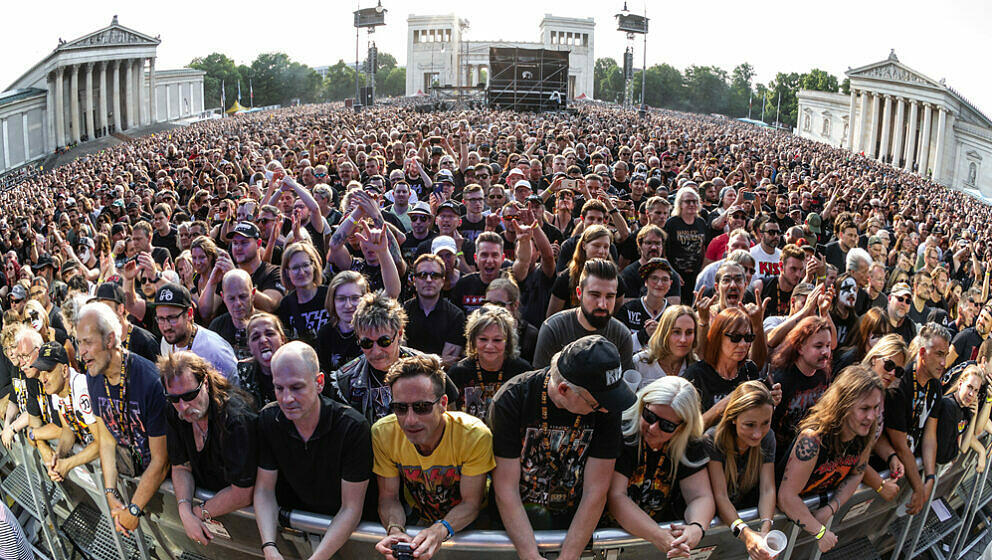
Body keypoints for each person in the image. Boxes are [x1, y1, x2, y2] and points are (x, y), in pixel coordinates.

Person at [491, 335, 635, 560]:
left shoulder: (607, 405)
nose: (607, 410)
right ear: (564, 389)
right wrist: (530, 555)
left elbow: (596, 491)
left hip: (574, 527)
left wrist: (569, 557)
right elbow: (505, 488)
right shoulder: (513, 398)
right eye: (596, 404)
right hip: (513, 528)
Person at [254, 341, 370, 560]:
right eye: (279, 388)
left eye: (297, 387)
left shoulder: (352, 428)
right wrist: (269, 546)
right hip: (301, 528)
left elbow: (351, 508)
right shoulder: (268, 420)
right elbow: (264, 489)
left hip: (354, 538)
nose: (287, 399)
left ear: (319, 383)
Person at [372, 355, 495, 560]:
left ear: (443, 403)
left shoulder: (473, 435)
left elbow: (471, 503)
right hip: (419, 518)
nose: (410, 420)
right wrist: (395, 530)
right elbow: (388, 498)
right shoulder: (383, 433)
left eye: (422, 407)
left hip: (472, 525)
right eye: (400, 408)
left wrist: (439, 530)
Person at [77, 302, 169, 535]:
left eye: (87, 342)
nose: (81, 352)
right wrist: (110, 492)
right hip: (133, 488)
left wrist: (134, 510)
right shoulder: (93, 375)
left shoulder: (150, 381)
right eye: (79, 343)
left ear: (109, 340)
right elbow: (107, 441)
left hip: (163, 491)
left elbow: (162, 459)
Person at [777, 366, 882, 554]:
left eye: (876, 408)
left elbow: (857, 474)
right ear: (844, 404)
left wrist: (830, 508)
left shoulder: (864, 433)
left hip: (806, 524)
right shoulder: (813, 439)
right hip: (778, 526)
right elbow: (786, 497)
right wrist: (819, 532)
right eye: (864, 408)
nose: (871, 417)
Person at [607, 376, 714, 556]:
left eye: (666, 425)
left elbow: (700, 496)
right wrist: (659, 536)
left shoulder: (690, 444)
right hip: (611, 537)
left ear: (682, 427)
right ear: (642, 405)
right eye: (649, 416)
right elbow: (616, 496)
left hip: (654, 542)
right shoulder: (623, 434)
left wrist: (695, 528)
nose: (653, 428)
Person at [160, 351, 257, 547]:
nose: (183, 406)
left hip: (250, 521)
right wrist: (184, 510)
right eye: (174, 398)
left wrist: (197, 513)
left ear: (205, 382)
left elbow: (243, 492)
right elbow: (180, 466)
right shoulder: (174, 411)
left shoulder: (234, 418)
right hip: (215, 513)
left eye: (189, 395)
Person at [329, 291, 458, 425]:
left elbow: (451, 419)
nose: (376, 351)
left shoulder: (429, 367)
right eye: (366, 343)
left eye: (384, 341)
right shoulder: (344, 381)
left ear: (399, 333)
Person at [706, 381, 777, 560]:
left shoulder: (768, 439)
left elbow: (767, 489)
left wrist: (764, 532)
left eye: (765, 423)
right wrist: (745, 534)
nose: (757, 434)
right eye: (750, 424)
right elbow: (720, 496)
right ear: (733, 418)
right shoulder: (713, 441)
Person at [885, 322, 950, 515]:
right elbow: (900, 446)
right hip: (888, 469)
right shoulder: (900, 385)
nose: (944, 363)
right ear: (922, 352)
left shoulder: (935, 386)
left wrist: (930, 477)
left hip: (910, 469)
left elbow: (930, 434)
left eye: (946, 355)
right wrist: (919, 487)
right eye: (939, 354)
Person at [534, 259, 635, 372]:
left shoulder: (622, 336)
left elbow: (627, 380)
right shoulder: (554, 329)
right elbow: (541, 383)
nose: (602, 304)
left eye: (609, 296)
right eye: (595, 295)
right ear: (579, 293)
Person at [684, 307, 778, 427]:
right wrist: (730, 400)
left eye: (748, 338)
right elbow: (690, 429)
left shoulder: (749, 369)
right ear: (717, 337)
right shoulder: (696, 375)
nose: (743, 344)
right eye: (735, 338)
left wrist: (770, 402)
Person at [30, 341, 98, 483]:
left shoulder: (81, 389)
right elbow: (68, 429)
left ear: (65, 370)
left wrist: (68, 464)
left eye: (48, 371)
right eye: (41, 371)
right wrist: (58, 455)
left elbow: (103, 442)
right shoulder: (57, 390)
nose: (43, 379)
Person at [448, 305, 531, 419]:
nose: (490, 346)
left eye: (497, 340)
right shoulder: (458, 373)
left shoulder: (523, 373)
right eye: (483, 339)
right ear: (473, 340)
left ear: (508, 342)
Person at [768, 317, 833, 460]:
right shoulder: (781, 379)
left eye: (828, 346)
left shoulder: (823, 373)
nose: (825, 352)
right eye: (818, 346)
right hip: (779, 454)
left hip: (808, 449)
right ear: (800, 347)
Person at [153, 283, 238, 380]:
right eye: (161, 319)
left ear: (189, 314)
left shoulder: (215, 350)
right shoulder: (166, 342)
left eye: (172, 318)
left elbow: (236, 390)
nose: (166, 326)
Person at [403, 254, 466, 367]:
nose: (428, 280)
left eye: (434, 275)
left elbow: (449, 364)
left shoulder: (456, 316)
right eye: (422, 275)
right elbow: (400, 357)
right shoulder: (403, 312)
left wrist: (412, 359)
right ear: (414, 280)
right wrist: (440, 361)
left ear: (443, 281)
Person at [91, 281, 160, 363]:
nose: (102, 313)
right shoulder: (99, 341)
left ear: (120, 309)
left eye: (106, 308)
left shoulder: (144, 341)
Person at [277, 242, 329, 348]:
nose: (301, 272)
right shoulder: (286, 305)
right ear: (287, 272)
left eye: (305, 265)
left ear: (313, 266)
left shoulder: (329, 295)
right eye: (295, 268)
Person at [632, 305, 697, 389]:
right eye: (676, 332)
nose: (683, 339)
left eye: (689, 332)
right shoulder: (640, 363)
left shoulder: (696, 368)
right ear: (664, 332)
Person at [315, 271, 368, 374]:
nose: (348, 305)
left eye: (355, 298)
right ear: (332, 301)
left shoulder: (373, 330)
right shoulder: (325, 333)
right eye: (341, 299)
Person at [616, 258, 673, 351]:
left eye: (664, 279)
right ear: (645, 281)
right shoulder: (627, 310)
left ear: (670, 283)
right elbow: (618, 346)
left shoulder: (673, 314)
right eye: (654, 278)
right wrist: (644, 334)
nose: (659, 284)